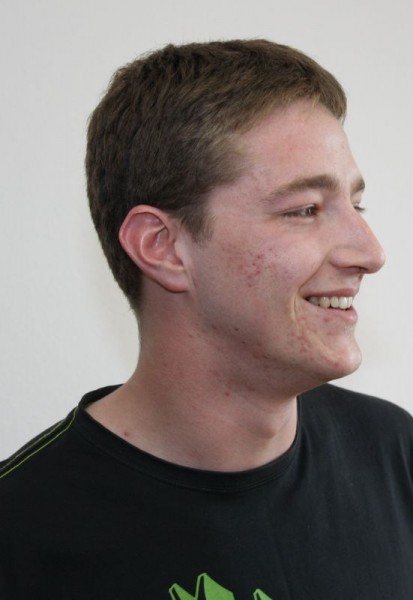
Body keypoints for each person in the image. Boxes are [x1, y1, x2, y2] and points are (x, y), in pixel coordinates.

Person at [1, 39, 412, 600]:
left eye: (356, 205)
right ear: (163, 247)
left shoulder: (392, 452)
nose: (370, 252)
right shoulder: (20, 535)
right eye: (305, 210)